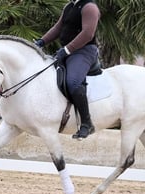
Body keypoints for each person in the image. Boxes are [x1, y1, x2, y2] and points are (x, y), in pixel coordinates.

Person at [35, 0, 100, 139]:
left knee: (73, 82)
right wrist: (41, 41)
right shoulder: (70, 6)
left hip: (84, 51)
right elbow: (58, 28)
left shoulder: (90, 7)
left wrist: (67, 49)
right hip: (68, 51)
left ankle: (87, 124)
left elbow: (88, 34)